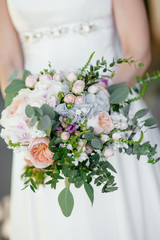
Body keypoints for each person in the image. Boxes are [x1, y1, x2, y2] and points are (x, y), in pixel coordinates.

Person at [0, 0, 160, 239]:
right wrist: (27, 116)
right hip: (40, 129)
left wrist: (93, 107)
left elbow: (138, 51)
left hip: (111, 117)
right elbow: (8, 63)